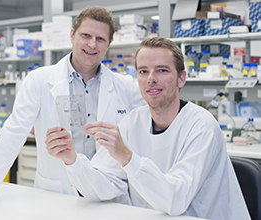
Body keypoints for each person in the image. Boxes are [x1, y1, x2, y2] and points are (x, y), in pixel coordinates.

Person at [0, 6, 145, 208]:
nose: (92, 44)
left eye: (100, 39)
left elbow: (148, 135)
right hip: (58, 194)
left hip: (109, 198)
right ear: (72, 35)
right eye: (86, 35)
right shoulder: (40, 80)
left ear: (109, 44)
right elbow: (13, 132)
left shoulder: (126, 87)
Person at [46, 37, 251, 220]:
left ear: (181, 78)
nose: (151, 78)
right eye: (143, 71)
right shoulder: (132, 122)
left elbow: (176, 199)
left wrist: (127, 157)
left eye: (162, 70)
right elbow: (106, 187)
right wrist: (72, 160)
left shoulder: (201, 126)